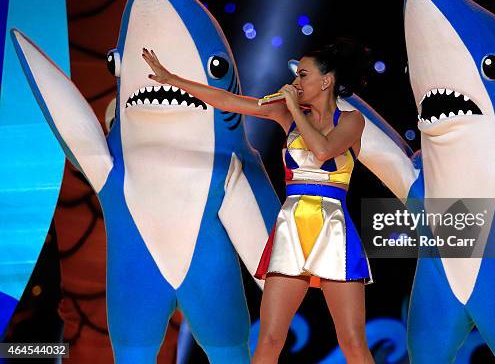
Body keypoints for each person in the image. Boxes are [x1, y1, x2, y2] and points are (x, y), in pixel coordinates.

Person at [142, 40, 375, 364]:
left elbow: (322, 151)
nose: (295, 82)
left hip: (333, 230)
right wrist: (173, 79)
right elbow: (228, 100)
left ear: (326, 81)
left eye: (302, 75)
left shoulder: (351, 122)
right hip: (292, 229)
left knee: (352, 342)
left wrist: (293, 107)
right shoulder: (286, 113)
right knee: (269, 338)